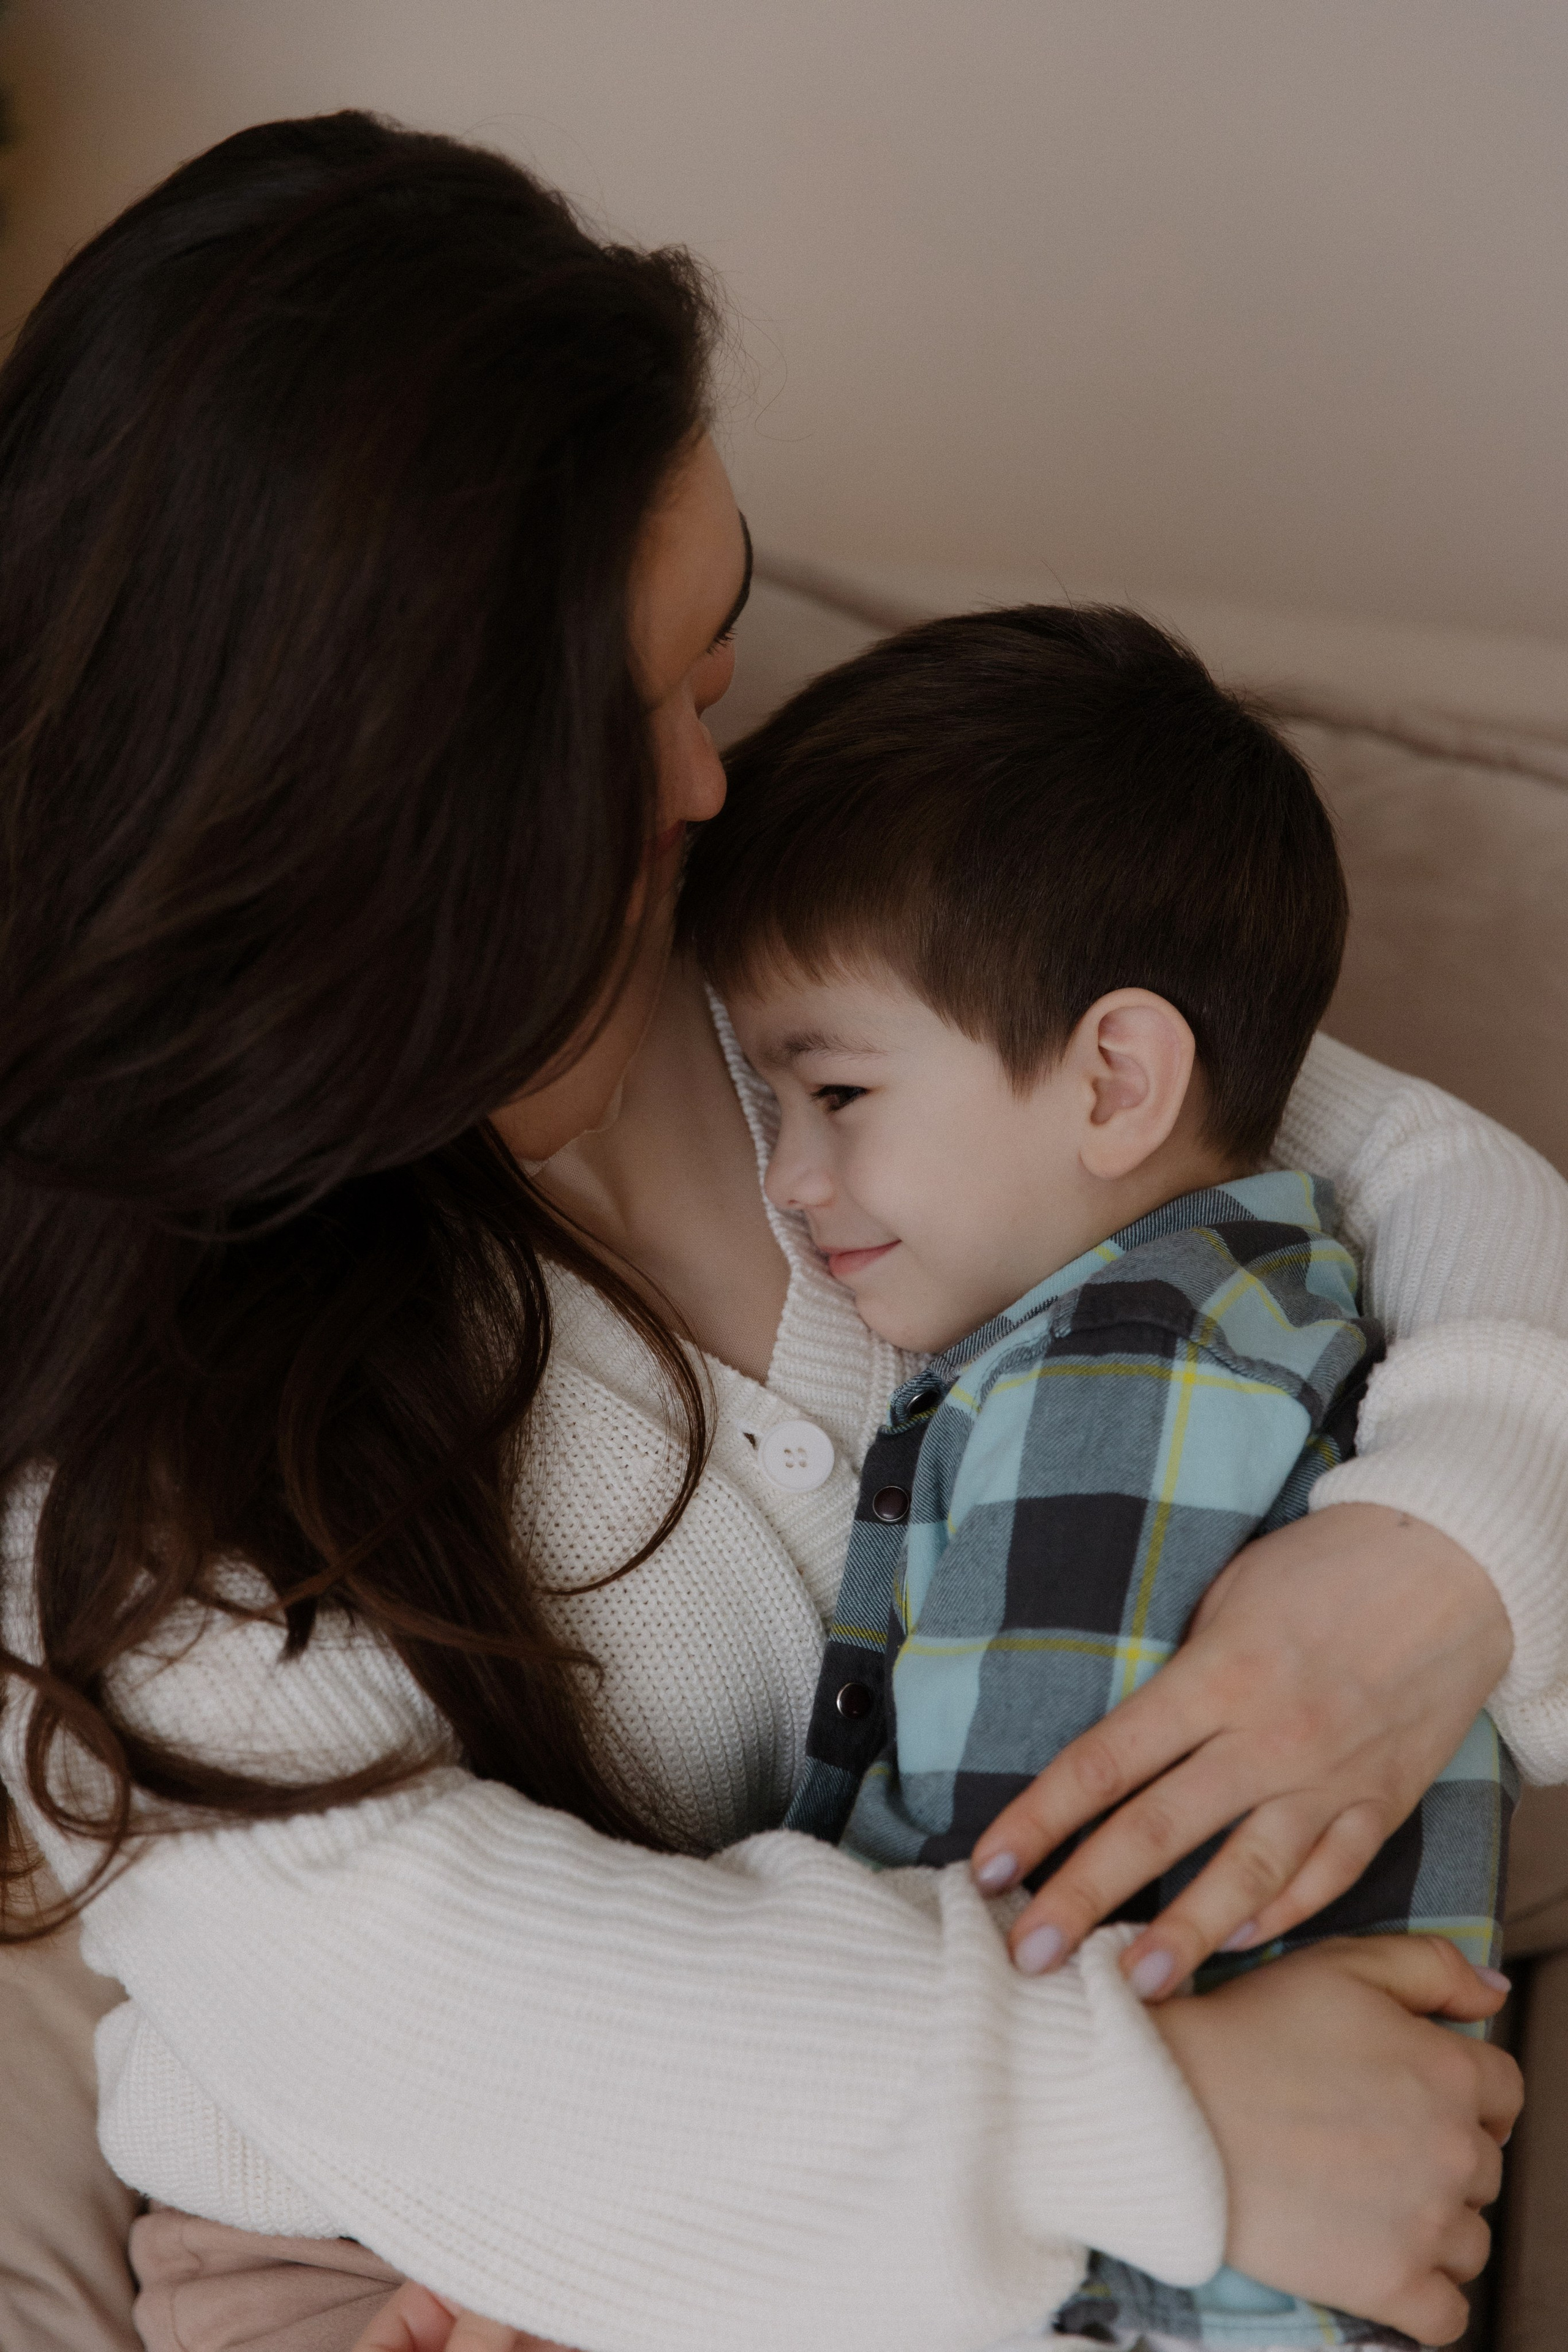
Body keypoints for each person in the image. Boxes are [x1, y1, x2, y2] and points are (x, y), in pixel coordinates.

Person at [0, 109, 1556, 2352]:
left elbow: (1410, 1167)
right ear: (378, 807)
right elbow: (405, 1975)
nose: (719, 781)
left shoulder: (797, 941)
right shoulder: (140, 1422)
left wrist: (1440, 1566)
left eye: (717, 665)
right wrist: (1162, 2113)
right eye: (647, 726)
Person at [681, 601, 1515, 2351]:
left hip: (1141, 2283)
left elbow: (1007, 1900)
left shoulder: (1117, 1378)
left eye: (835, 1092)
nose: (797, 1181)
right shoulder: (1265, 1302)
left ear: (1119, 1077)